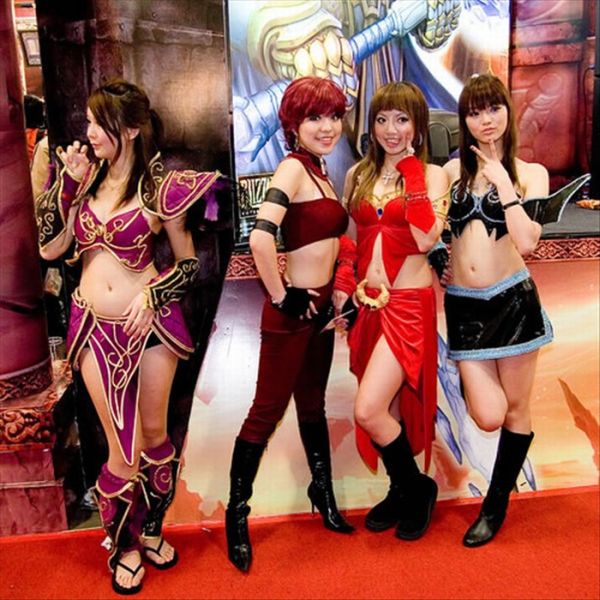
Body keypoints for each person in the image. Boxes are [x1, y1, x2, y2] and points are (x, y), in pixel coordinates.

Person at [34, 79, 220, 594]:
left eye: (101, 123)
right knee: (125, 448)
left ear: (132, 130)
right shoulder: (83, 180)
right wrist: (67, 186)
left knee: (156, 437)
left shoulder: (160, 189)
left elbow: (188, 264)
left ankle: (153, 528)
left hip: (151, 327)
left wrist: (154, 295)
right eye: (90, 121)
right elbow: (50, 249)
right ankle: (125, 546)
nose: (90, 132)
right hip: (95, 327)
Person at [225, 76, 354, 574]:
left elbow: (334, 242)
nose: (327, 127)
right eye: (314, 117)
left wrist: (338, 287)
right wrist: (283, 295)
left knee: (313, 406)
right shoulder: (293, 168)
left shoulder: (320, 172)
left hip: (320, 313)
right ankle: (237, 516)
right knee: (265, 413)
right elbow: (261, 238)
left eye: (334, 116)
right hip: (291, 314)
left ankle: (323, 494)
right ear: (293, 124)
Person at [334, 82, 449, 541]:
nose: (391, 130)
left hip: (409, 308)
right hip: (367, 306)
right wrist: (344, 286)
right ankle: (401, 490)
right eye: (382, 119)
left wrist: (411, 173)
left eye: (402, 119)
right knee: (389, 409)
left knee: (368, 409)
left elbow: (424, 238)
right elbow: (349, 240)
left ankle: (418, 488)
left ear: (418, 125)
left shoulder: (433, 176)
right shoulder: (357, 175)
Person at [442, 73, 552, 547]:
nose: (485, 120)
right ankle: (498, 491)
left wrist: (505, 184)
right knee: (488, 414)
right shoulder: (450, 173)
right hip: (464, 308)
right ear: (463, 120)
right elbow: (430, 231)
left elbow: (527, 242)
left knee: (517, 409)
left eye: (493, 109)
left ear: (508, 112)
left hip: (514, 302)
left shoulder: (532, 173)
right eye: (474, 112)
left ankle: (495, 503)